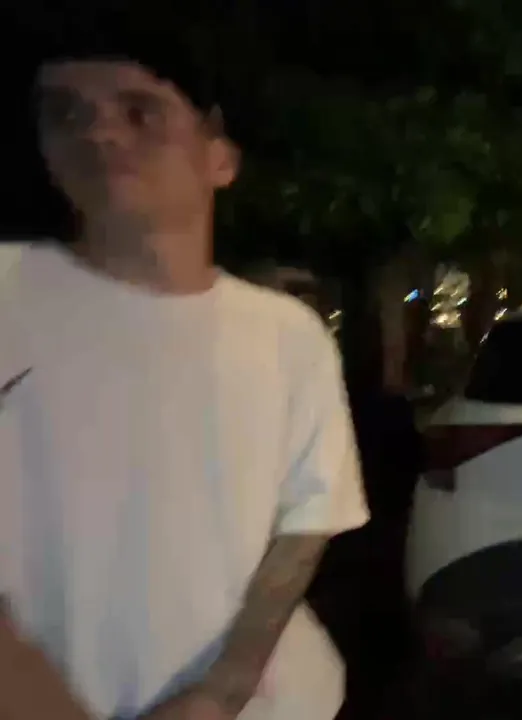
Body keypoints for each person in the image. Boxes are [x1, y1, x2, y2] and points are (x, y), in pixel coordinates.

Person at [0, 36, 369, 720]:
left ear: (220, 156)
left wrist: (221, 694)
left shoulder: (289, 334)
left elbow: (304, 528)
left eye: (139, 112)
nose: (100, 133)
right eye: (66, 113)